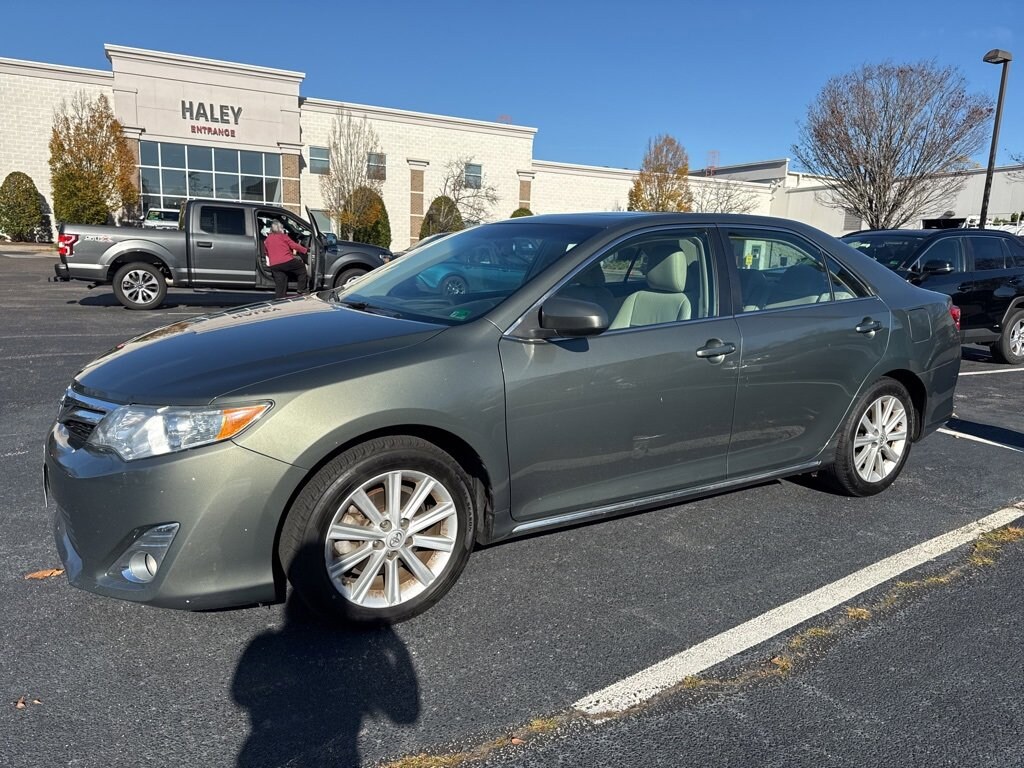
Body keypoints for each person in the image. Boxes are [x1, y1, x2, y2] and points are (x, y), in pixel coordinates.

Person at [263, 220, 309, 299]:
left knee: (280, 283)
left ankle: (279, 300)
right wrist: (305, 250)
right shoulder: (283, 236)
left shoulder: (267, 240)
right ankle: (301, 289)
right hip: (286, 261)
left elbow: (266, 252)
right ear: (280, 229)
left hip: (274, 265)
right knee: (301, 268)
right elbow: (293, 245)